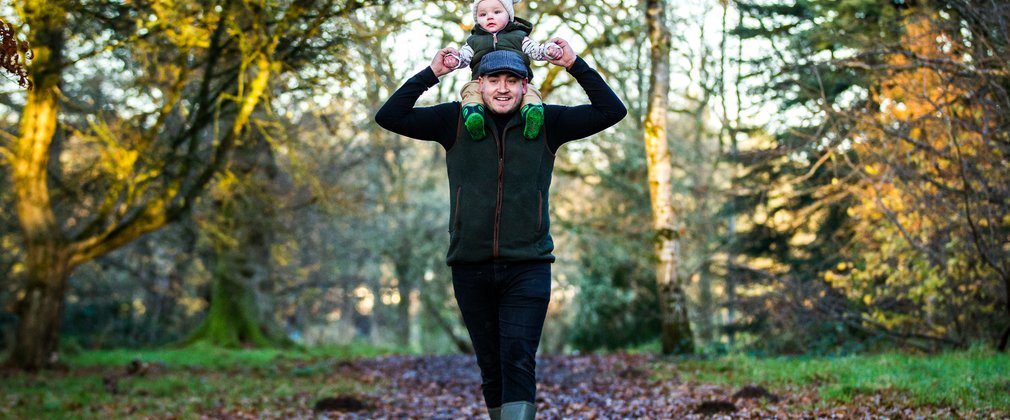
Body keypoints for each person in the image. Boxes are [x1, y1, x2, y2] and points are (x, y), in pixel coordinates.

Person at [374, 42, 626, 419]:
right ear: (480, 83)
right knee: (491, 366)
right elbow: (389, 116)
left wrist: (573, 63)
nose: (503, 88)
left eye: (513, 79)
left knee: (518, 360)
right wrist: (432, 73)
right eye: (494, 80)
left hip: (528, 265)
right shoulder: (454, 121)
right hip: (469, 265)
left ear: (526, 86)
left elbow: (611, 110)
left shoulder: (547, 124)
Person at [442, 0, 562, 141]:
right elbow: (464, 56)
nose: (489, 17)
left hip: (518, 79)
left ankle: (532, 113)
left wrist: (549, 50)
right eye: (483, 14)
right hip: (481, 82)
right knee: (470, 91)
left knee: (530, 91)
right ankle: (474, 116)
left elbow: (535, 50)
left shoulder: (519, 36)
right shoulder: (474, 40)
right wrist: (455, 59)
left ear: (509, 15)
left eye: (497, 12)